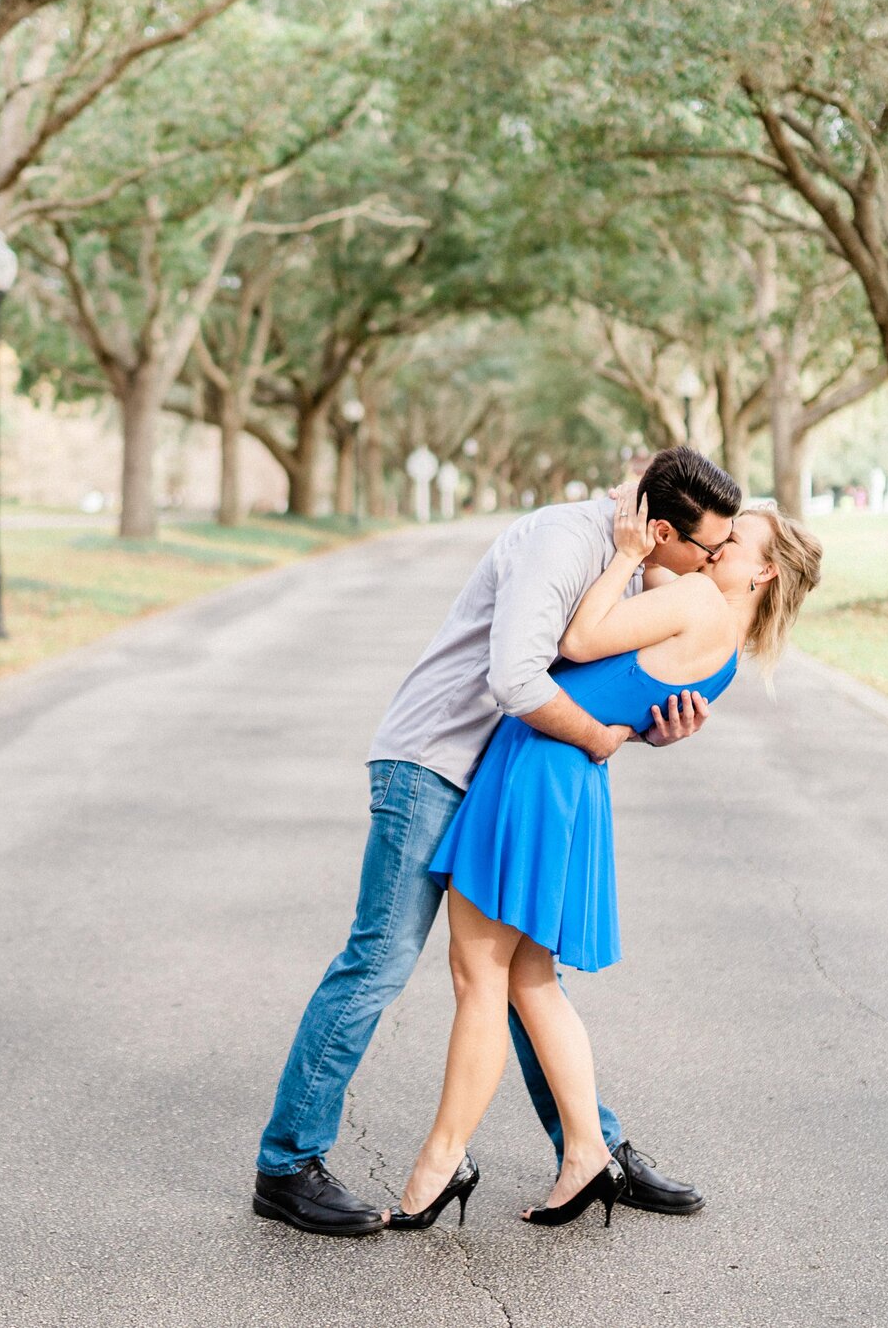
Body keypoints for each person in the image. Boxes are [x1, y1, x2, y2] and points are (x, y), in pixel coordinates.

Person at [252, 448, 743, 1238]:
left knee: (517, 973)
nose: (712, 565)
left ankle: (592, 1146)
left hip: (497, 778)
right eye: (706, 550)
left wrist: (650, 728)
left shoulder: (625, 562)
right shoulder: (563, 543)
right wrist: (601, 739)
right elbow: (518, 679)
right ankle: (286, 1164)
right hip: (436, 764)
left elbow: (603, 680)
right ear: (660, 531)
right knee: (383, 959)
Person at [386, 499, 823, 1231]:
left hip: (537, 767)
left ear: (767, 569)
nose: (714, 547)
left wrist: (623, 551)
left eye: (734, 539)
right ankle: (588, 1150)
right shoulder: (726, 654)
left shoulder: (695, 600)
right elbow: (631, 703)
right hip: (569, 778)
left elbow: (580, 639)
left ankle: (440, 1164)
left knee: (481, 977)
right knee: (526, 979)